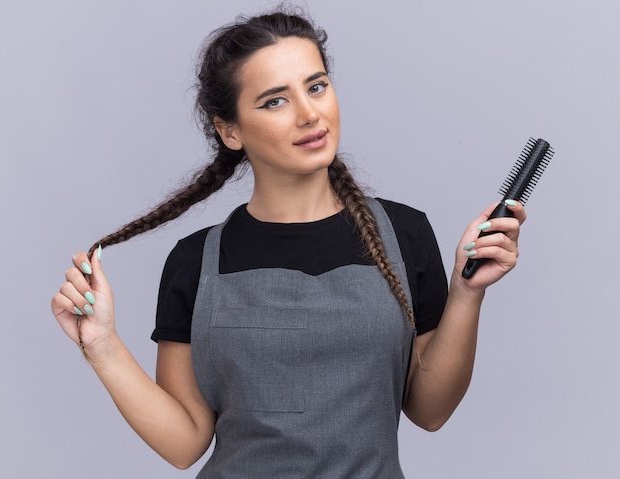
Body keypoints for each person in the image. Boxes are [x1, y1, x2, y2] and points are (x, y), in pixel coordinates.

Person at [51, 8, 525, 478]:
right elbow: (185, 443)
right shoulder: (197, 262)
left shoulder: (404, 235)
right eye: (275, 101)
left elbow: (429, 411)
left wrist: (467, 293)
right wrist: (103, 346)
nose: (309, 113)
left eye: (316, 86)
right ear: (229, 130)